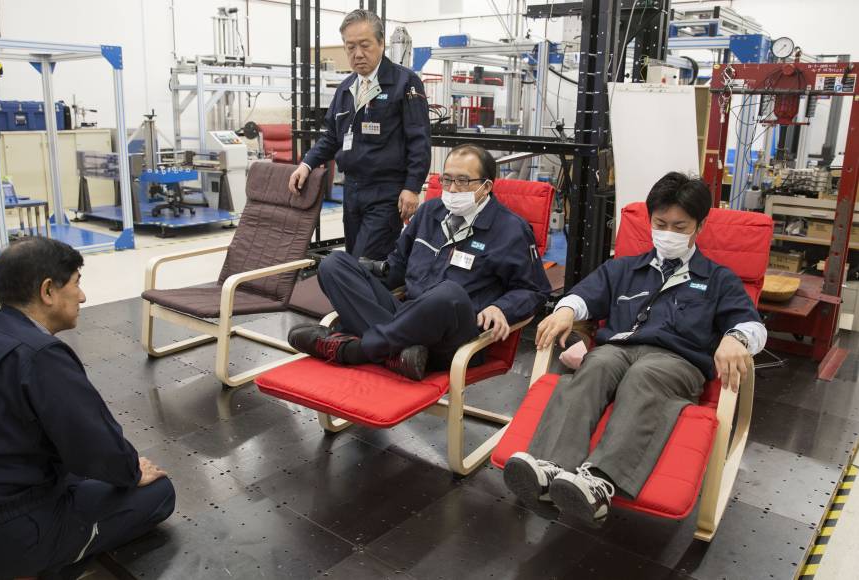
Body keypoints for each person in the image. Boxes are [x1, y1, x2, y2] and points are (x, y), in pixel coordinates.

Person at [503, 172, 766, 523]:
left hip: (675, 362)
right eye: (661, 223)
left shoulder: (718, 279)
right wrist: (566, 310)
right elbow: (584, 295)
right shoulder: (624, 269)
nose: (668, 233)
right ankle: (550, 467)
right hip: (618, 350)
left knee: (644, 375)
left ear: (699, 227)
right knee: (595, 365)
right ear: (650, 220)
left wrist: (737, 338)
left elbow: (752, 324)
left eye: (679, 226)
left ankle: (599, 483)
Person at [0, 238, 175, 579]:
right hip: (10, 529)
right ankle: (35, 567)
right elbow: (94, 444)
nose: (83, 296)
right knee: (159, 493)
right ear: (48, 291)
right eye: (76, 282)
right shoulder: (41, 356)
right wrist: (132, 471)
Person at [288, 143, 551, 380]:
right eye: (446, 179)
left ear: (486, 187)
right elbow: (398, 267)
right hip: (406, 319)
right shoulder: (429, 212)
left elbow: (535, 289)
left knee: (448, 293)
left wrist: (502, 307)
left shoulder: (511, 230)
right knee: (334, 264)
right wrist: (362, 276)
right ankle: (398, 354)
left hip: (455, 336)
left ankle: (356, 350)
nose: (452, 189)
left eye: (462, 181)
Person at [288, 8, 431, 261]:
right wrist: (307, 164)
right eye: (350, 47)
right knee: (354, 257)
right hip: (352, 190)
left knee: (367, 262)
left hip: (386, 191)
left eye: (365, 45)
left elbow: (419, 139)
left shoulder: (405, 83)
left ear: (381, 43)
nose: (358, 54)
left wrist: (412, 187)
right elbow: (331, 137)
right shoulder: (345, 89)